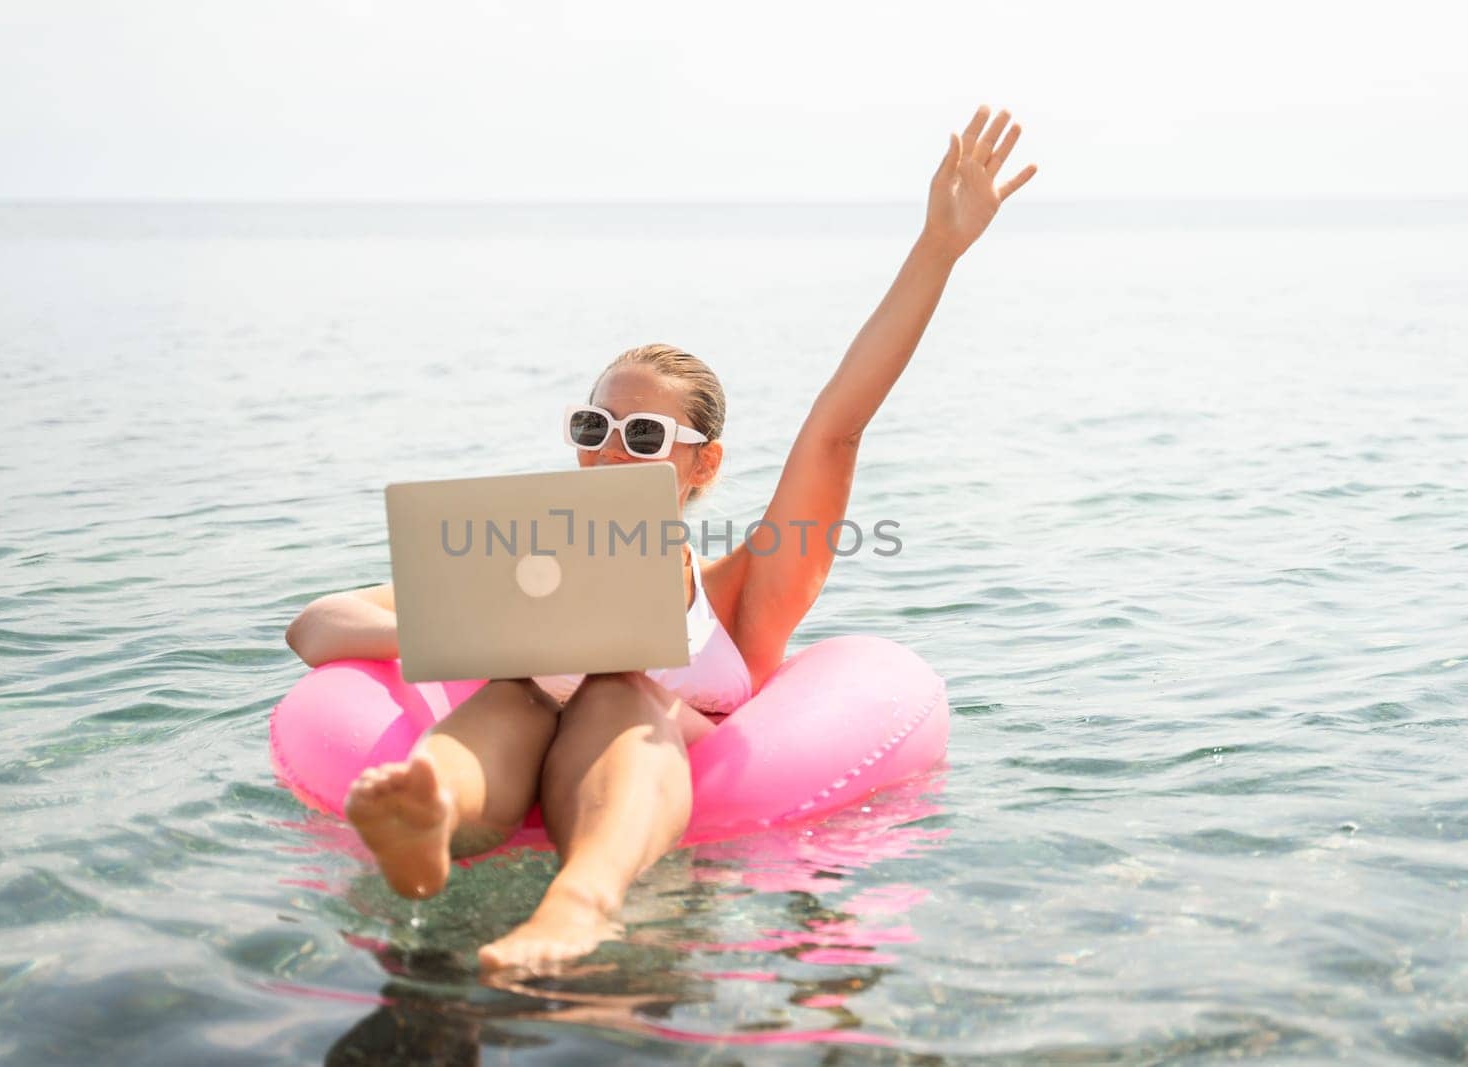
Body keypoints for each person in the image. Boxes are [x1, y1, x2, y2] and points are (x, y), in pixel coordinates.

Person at [284, 105, 1036, 972]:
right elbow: (316, 628)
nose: (609, 448)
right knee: (514, 692)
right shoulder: (507, 568)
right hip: (508, 746)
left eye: (643, 437)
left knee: (617, 687)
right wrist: (493, 631)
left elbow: (837, 427)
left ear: (701, 464)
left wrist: (937, 249)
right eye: (594, 424)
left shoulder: (739, 591)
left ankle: (580, 902)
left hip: (644, 770)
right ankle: (432, 824)